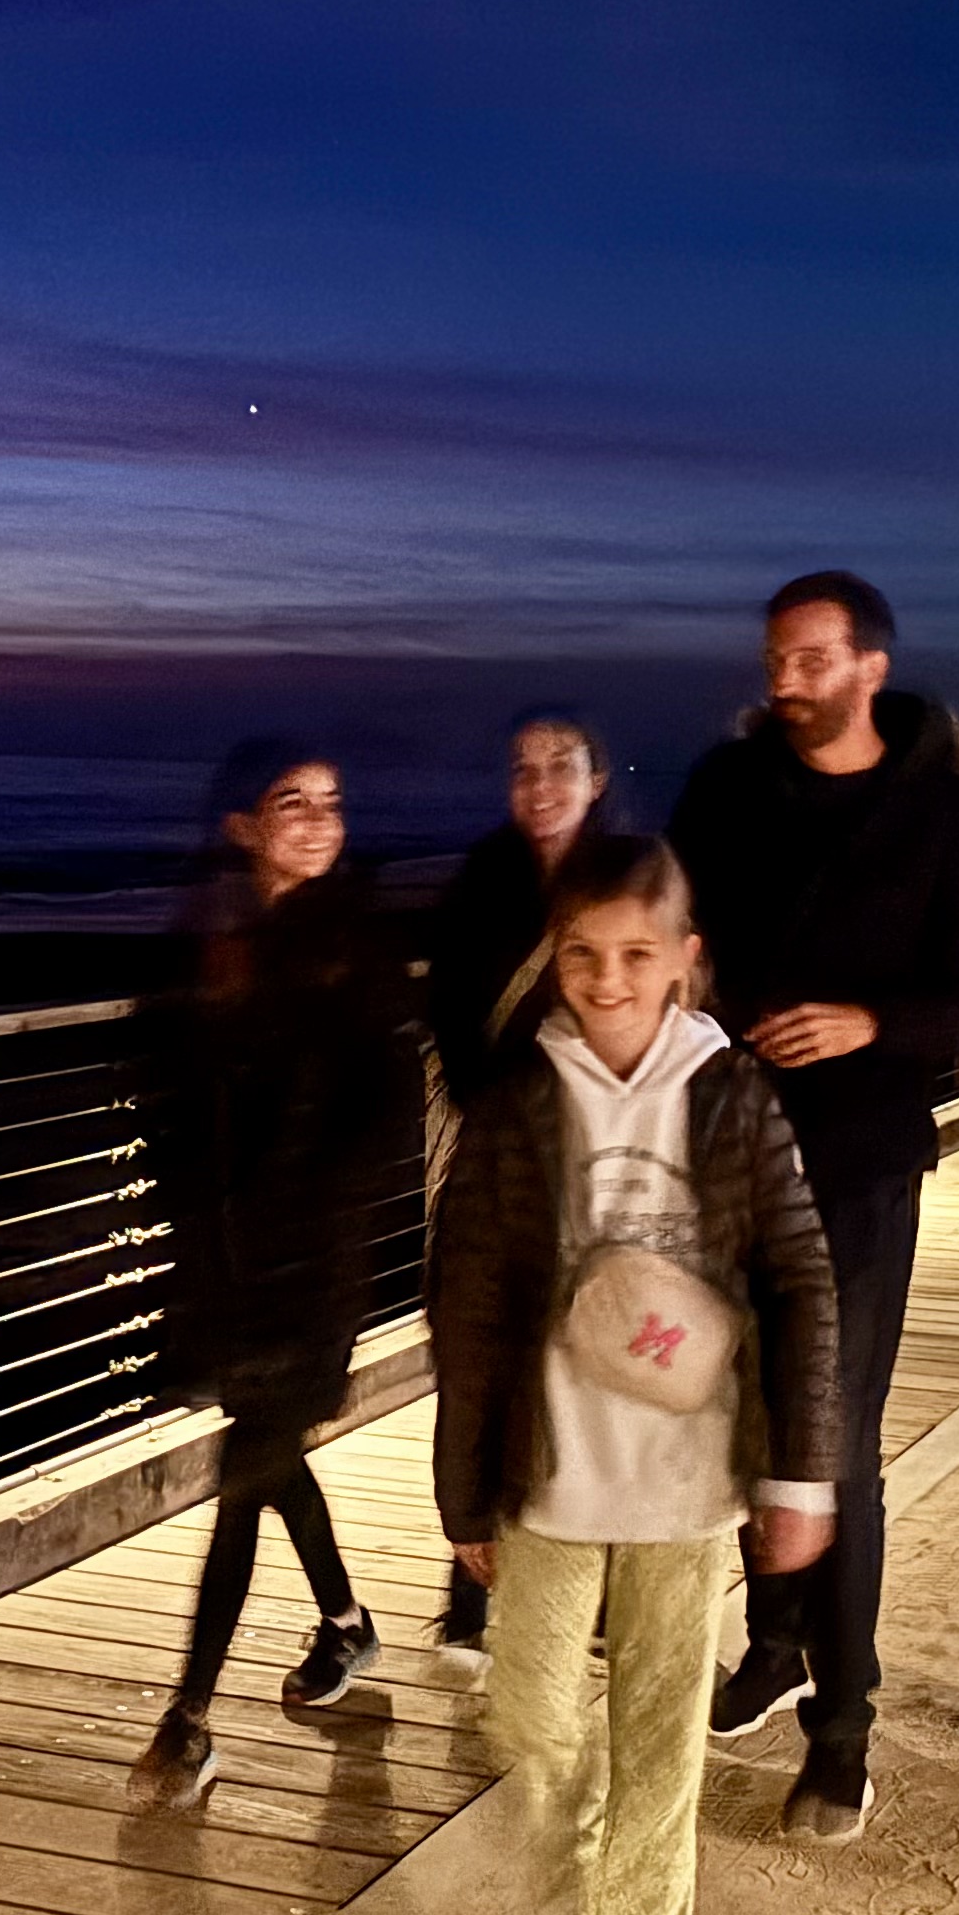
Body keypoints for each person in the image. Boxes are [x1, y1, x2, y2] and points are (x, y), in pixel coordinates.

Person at [429, 834, 841, 1915]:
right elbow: (469, 1296)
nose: (608, 982)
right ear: (556, 958)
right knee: (534, 1723)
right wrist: (462, 1492)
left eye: (636, 957)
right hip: (549, 1476)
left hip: (683, 1480)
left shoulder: (732, 1098)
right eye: (584, 956)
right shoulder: (518, 1099)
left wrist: (803, 1477)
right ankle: (604, 1865)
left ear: (684, 963)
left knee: (661, 1746)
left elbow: (801, 1281)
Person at [665, 570, 959, 1843]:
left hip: (861, 1162)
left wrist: (869, 1023)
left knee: (833, 1436)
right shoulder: (724, 792)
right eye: (776, 658)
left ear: (870, 667)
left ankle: (844, 1728)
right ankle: (771, 1650)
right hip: (723, 1151)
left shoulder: (947, 821)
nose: (786, 681)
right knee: (741, 1416)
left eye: (812, 659)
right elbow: (672, 926)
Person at [133, 740, 417, 1806]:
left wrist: (320, 1211)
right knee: (266, 1449)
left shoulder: (355, 947)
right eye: (290, 801)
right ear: (243, 824)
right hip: (221, 1255)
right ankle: (347, 1622)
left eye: (332, 802)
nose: (316, 818)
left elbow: (387, 1116)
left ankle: (189, 1719)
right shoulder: (212, 942)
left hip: (312, 1261)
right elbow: (161, 1074)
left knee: (246, 1469)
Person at [419, 706, 617, 1675]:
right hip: (494, 1158)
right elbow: (452, 1015)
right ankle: (472, 1591)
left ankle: (605, 1590)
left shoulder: (625, 879)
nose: (541, 784)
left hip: (598, 1160)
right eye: (523, 766)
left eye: (561, 765)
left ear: (598, 779)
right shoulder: (480, 883)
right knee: (480, 1359)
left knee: (593, 1367)